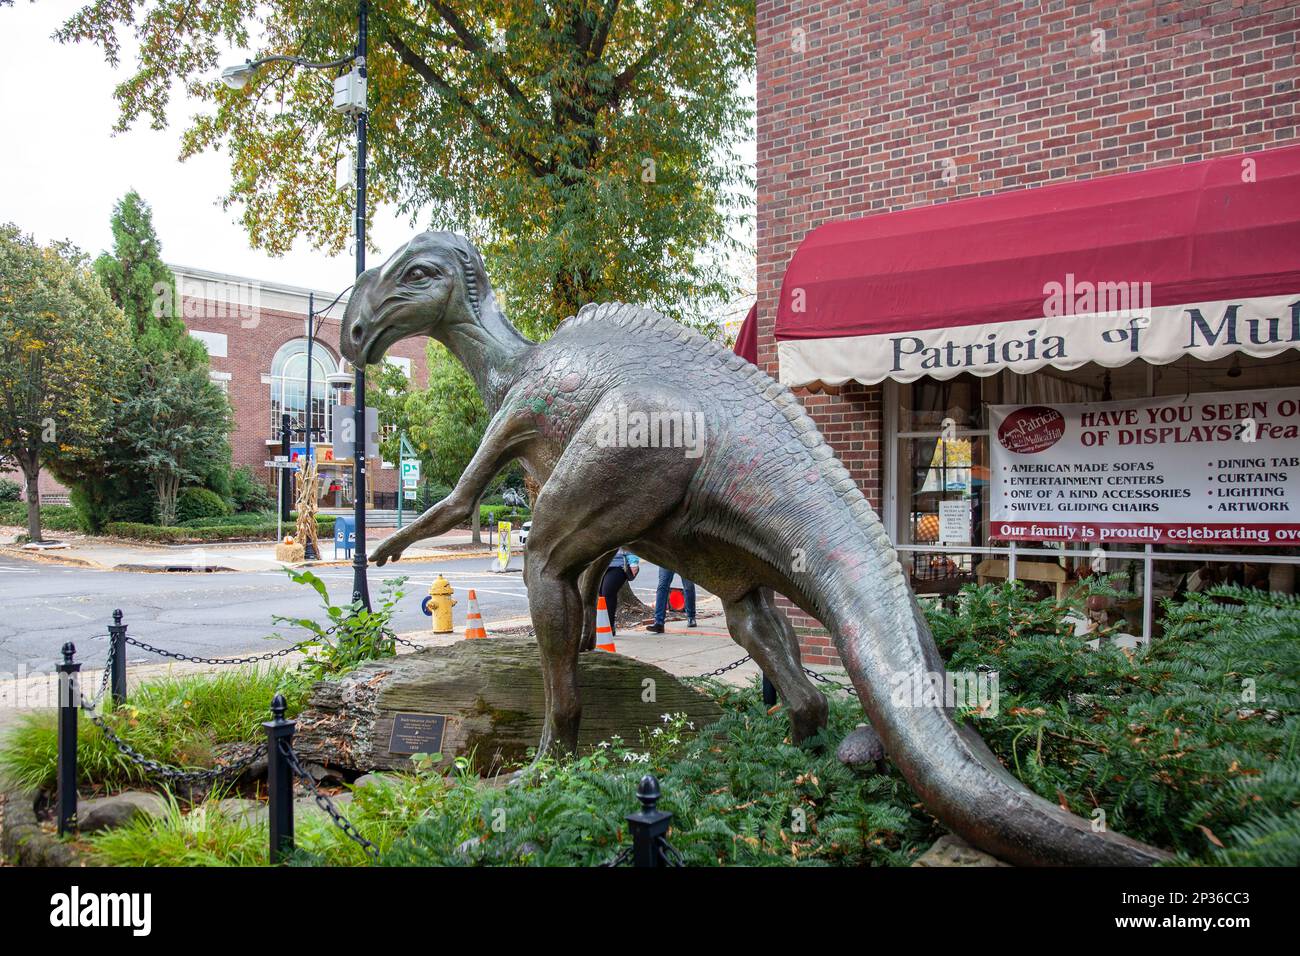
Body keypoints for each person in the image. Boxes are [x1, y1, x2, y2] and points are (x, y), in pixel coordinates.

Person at [599, 547, 639, 636]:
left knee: (607, 593)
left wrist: (633, 561)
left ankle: (609, 626)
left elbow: (630, 544)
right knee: (600, 595)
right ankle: (601, 625)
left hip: (617, 565)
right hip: (598, 566)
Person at [645, 566, 696, 633]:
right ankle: (659, 623)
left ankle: (691, 616)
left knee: (689, 586)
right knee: (662, 586)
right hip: (666, 559)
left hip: (684, 560)